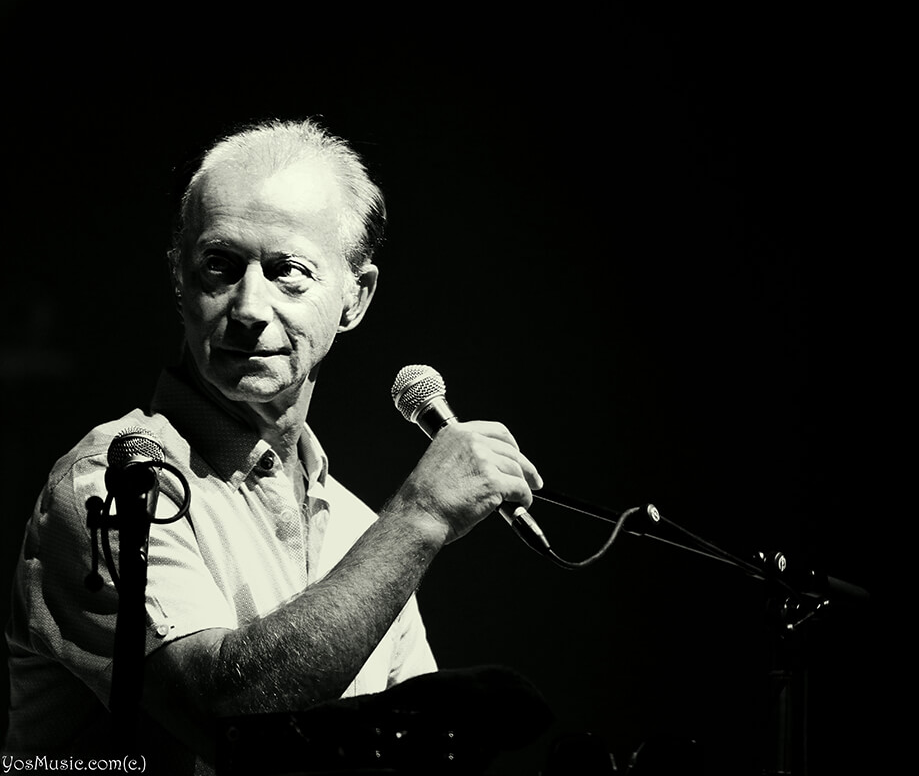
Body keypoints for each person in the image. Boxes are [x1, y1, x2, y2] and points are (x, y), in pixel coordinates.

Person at [3, 118, 544, 772]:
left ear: (355, 297)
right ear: (178, 278)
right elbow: (227, 719)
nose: (249, 307)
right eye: (220, 266)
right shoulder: (112, 483)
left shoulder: (359, 533)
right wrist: (421, 514)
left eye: (288, 270)